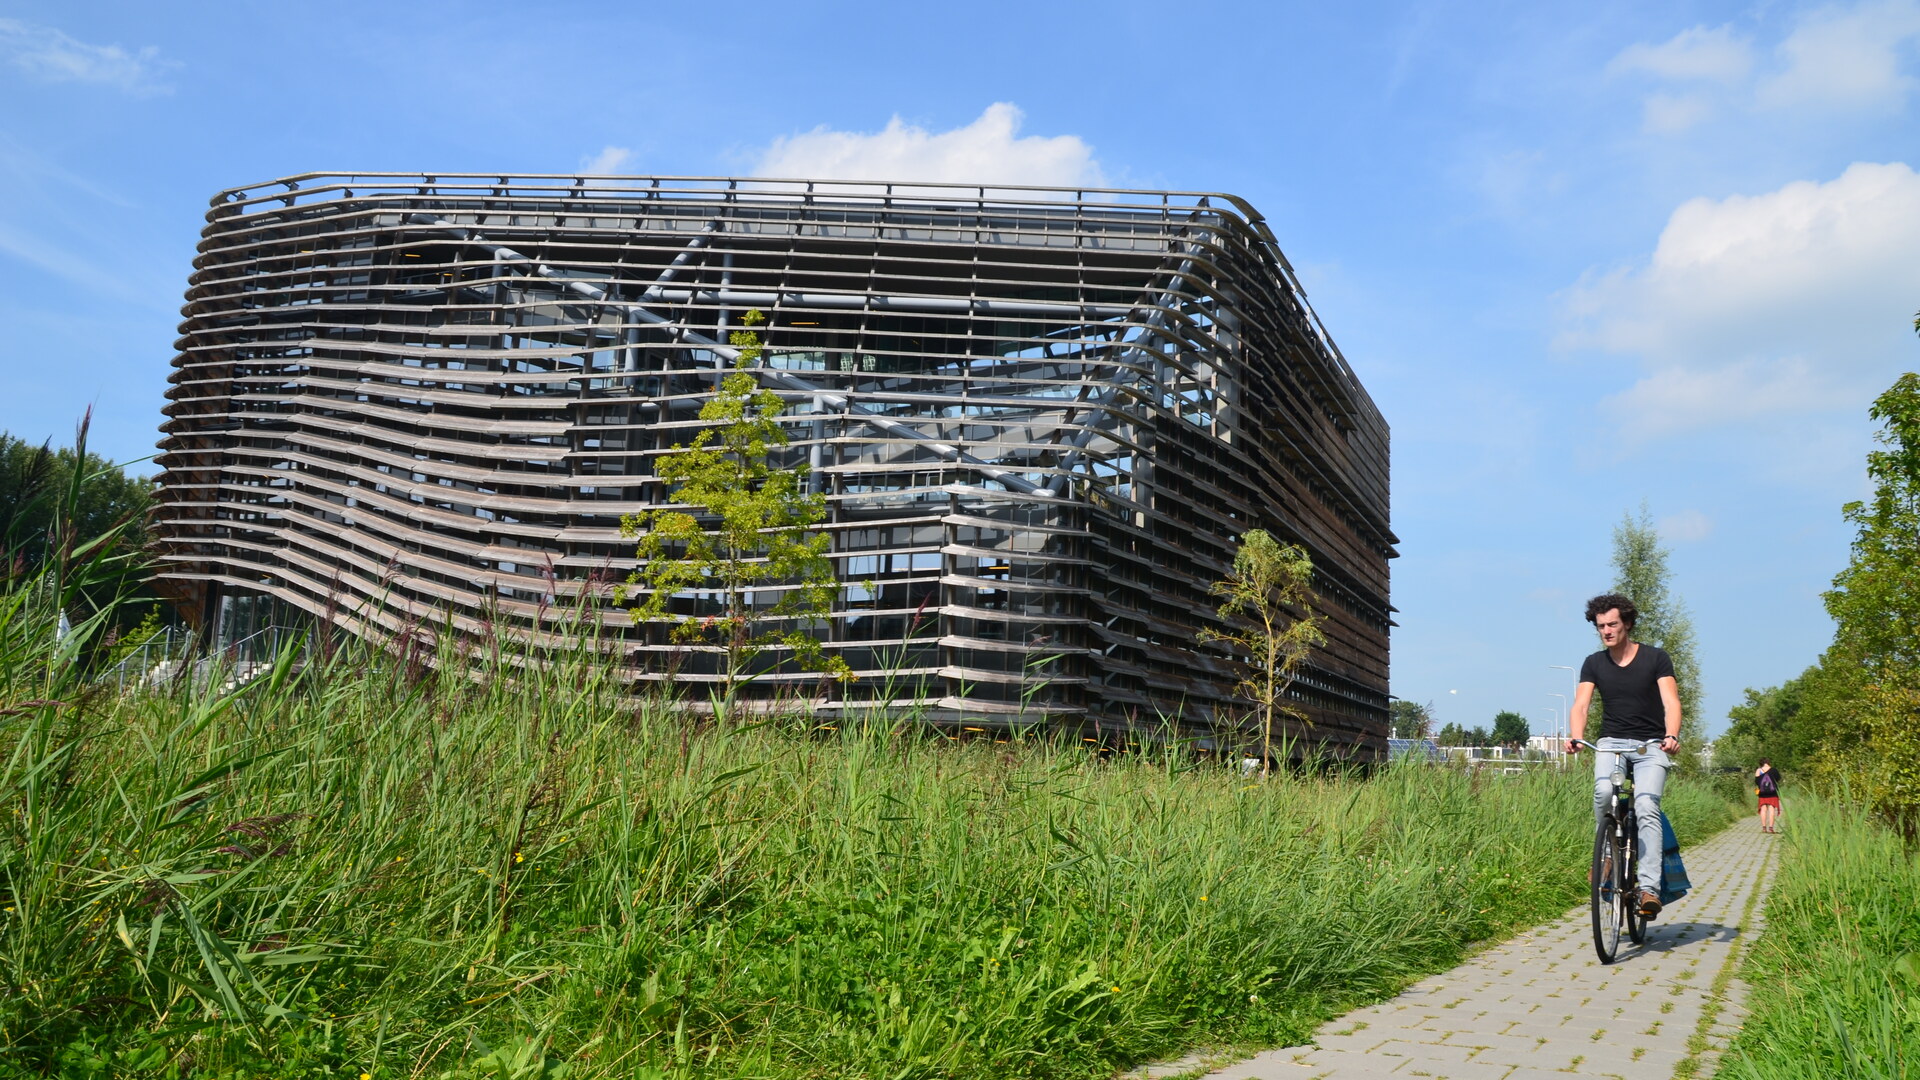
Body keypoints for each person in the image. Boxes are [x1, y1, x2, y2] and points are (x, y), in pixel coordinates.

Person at [1564, 593, 1682, 920]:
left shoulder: (1656, 658)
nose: (1607, 631)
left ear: (1627, 623)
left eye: (1613, 624)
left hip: (1650, 745)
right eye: (1601, 626)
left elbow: (1671, 702)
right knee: (1604, 792)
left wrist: (1671, 735)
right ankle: (1605, 856)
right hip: (1612, 744)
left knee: (1645, 805)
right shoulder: (1594, 663)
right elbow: (1581, 704)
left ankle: (1649, 890)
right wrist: (1576, 735)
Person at [1755, 759, 1782, 833]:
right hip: (1773, 793)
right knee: (1771, 809)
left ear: (1761, 763)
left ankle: (1764, 828)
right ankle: (1771, 828)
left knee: (1763, 809)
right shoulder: (1774, 770)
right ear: (1768, 763)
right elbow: (1778, 779)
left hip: (1762, 793)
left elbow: (1757, 782)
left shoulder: (1758, 770)